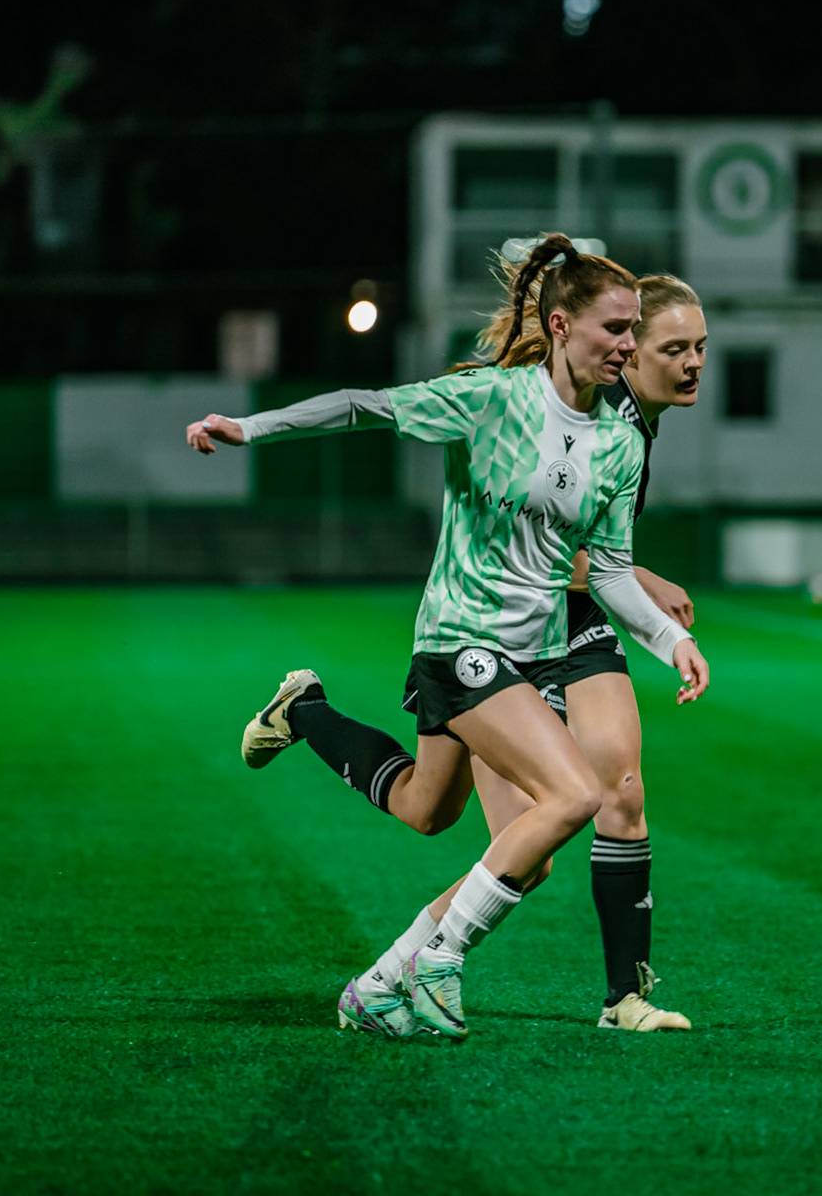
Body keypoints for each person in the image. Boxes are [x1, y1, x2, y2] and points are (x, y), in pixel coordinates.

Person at [184, 234, 710, 1041]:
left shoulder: (615, 439)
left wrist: (669, 643)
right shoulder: (494, 399)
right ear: (563, 326)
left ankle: (309, 720)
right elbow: (364, 403)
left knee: (431, 810)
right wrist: (249, 427)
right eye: (624, 331)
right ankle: (437, 963)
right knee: (569, 806)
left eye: (641, 333)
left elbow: (605, 572)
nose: (635, 348)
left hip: (526, 655)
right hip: (462, 642)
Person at [329, 269, 708, 1036]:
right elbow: (548, 552)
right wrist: (637, 580)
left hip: (577, 625)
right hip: (498, 635)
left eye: (699, 346)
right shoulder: (586, 410)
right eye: (674, 346)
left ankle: (624, 997)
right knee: (473, 830)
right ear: (626, 354)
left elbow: (592, 554)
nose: (692, 360)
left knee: (621, 794)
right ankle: (386, 973)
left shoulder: (632, 422)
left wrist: (638, 585)